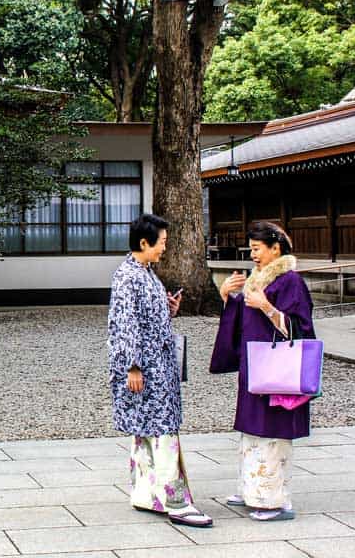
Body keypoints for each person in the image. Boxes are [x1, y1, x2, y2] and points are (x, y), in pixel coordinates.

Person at [108, 213, 213, 528]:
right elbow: (124, 325)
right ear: (144, 242)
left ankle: (147, 493)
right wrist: (133, 366)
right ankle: (175, 500)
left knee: (147, 429)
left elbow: (141, 318)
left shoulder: (144, 273)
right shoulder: (129, 276)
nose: (165, 248)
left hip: (156, 364)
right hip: (147, 367)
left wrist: (166, 309)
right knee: (161, 428)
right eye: (162, 242)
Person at [210, 221, 315, 521]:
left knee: (272, 431)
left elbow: (302, 328)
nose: (253, 255)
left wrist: (267, 307)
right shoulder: (259, 279)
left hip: (276, 370)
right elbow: (242, 318)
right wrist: (228, 297)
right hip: (255, 365)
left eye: (257, 249)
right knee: (252, 430)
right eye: (251, 249)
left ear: (275, 248)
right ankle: (251, 489)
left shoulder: (290, 280)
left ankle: (275, 501)